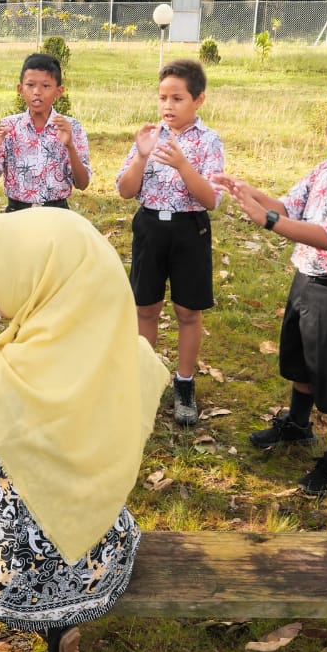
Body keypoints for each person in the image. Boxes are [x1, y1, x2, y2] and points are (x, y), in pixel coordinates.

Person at [0, 208, 168, 652]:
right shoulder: (130, 359)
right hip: (102, 561)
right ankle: (63, 620)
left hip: (10, 575)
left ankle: (44, 618)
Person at [213, 83, 327, 495]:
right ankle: (298, 426)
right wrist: (248, 193)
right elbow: (289, 207)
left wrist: (268, 222)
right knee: (301, 362)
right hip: (308, 280)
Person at [116, 59, 224, 426]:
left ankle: (184, 383)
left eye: (177, 98)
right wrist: (142, 155)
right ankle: (143, 379)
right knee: (145, 307)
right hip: (150, 227)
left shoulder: (208, 141)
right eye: (163, 97)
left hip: (189, 230)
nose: (167, 106)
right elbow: (126, 191)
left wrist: (183, 165)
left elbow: (210, 199)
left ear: (198, 100)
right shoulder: (149, 135)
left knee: (187, 312)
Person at [0, 52, 91, 211]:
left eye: (45, 86)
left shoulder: (71, 128)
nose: (37, 92)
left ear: (59, 91)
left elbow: (82, 183)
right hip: (17, 213)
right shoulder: (8, 127)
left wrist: (70, 146)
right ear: (20, 89)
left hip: (57, 214)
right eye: (30, 85)